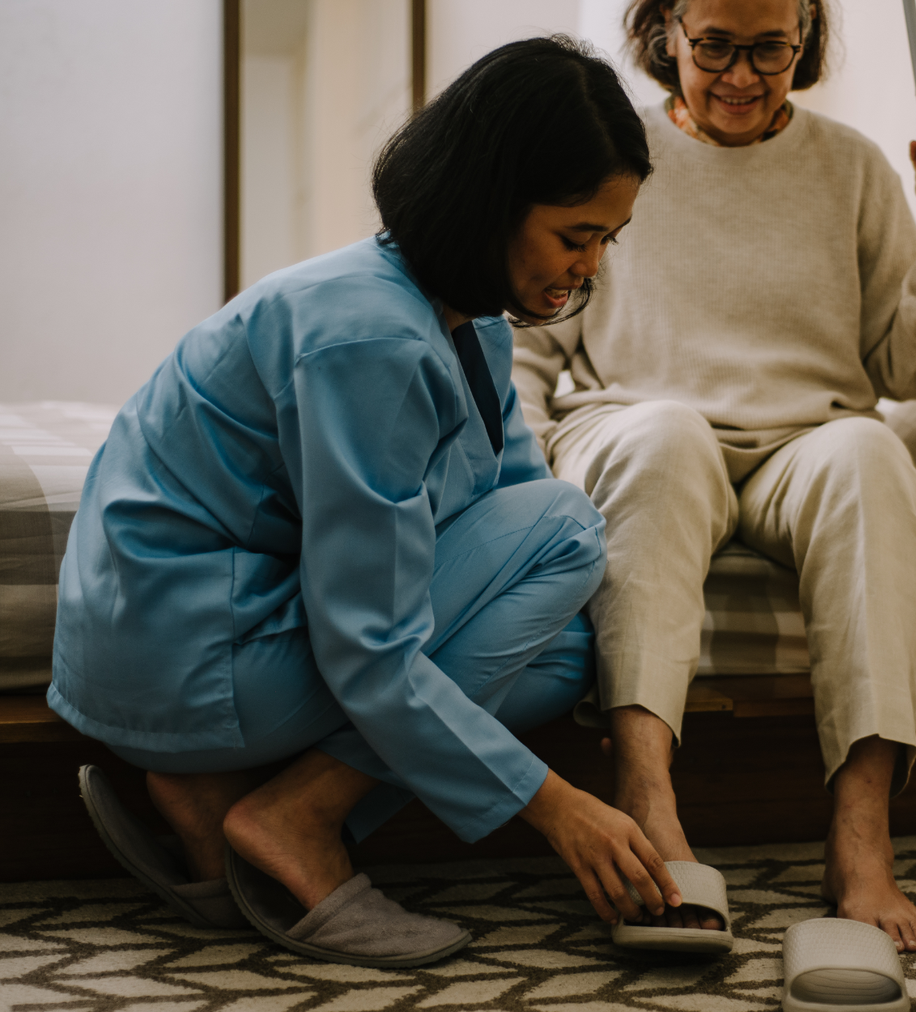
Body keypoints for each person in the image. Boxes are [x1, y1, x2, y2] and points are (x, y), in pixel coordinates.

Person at [49, 36, 683, 968]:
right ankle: (292, 819)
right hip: (180, 648)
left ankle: (245, 802)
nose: (589, 268)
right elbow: (373, 638)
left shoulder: (465, 327)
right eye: (575, 235)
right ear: (491, 205)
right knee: (568, 528)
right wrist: (557, 806)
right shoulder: (368, 338)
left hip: (195, 637)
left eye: (604, 241)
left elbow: (501, 510)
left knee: (565, 652)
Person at [512, 0, 916, 953]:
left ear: (803, 39)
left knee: (875, 453)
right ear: (667, 33)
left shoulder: (850, 166)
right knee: (670, 438)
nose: (739, 75)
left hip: (805, 438)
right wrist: (515, 470)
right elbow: (531, 331)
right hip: (637, 421)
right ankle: (649, 802)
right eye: (715, 46)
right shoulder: (618, 150)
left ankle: (861, 840)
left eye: (769, 48)